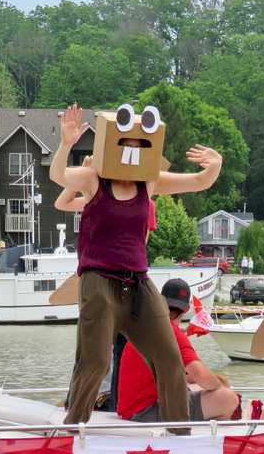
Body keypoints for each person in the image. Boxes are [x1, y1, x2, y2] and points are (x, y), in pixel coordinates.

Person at [51, 103, 222, 427]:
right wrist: (67, 143)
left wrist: (214, 165)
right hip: (98, 278)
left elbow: (199, 181)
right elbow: (58, 176)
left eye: (137, 145)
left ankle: (178, 433)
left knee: (169, 357)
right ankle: (73, 428)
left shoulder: (149, 182)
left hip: (138, 282)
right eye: (125, 144)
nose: (131, 151)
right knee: (97, 360)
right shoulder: (94, 179)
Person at [54, 157, 158, 413]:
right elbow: (62, 203)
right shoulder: (100, 195)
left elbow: (140, 243)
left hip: (126, 282)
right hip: (101, 280)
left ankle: (111, 405)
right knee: (93, 351)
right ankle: (81, 405)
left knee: (113, 350)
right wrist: (86, 176)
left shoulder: (145, 202)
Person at [118, 278, 239, 422]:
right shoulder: (173, 333)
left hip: (130, 410)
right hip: (146, 412)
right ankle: (206, 439)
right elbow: (203, 377)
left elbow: (174, 375)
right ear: (187, 308)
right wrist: (221, 385)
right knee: (228, 398)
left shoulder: (144, 328)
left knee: (194, 388)